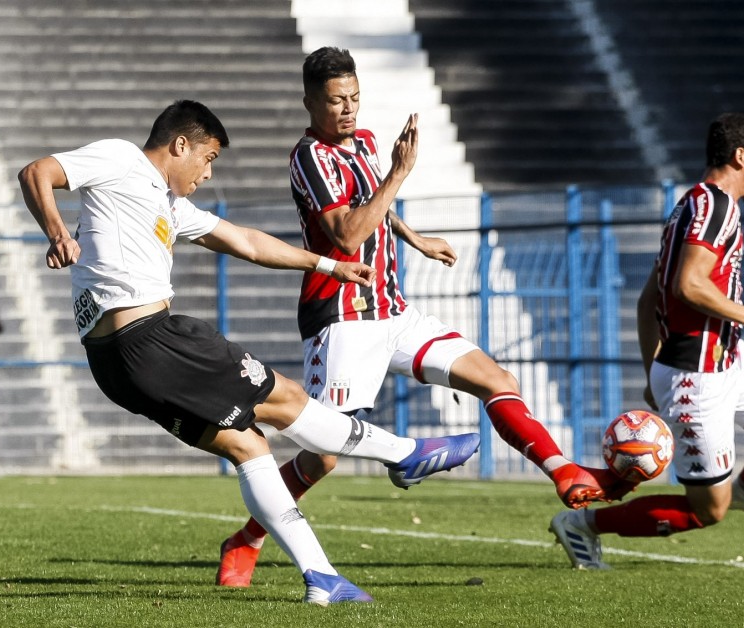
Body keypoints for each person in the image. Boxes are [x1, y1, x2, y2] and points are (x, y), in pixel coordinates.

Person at [18, 100, 481, 604]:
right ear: (180, 145)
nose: (207, 171)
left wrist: (328, 265)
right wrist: (59, 232)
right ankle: (406, 454)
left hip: (115, 366)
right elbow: (37, 171)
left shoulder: (170, 206)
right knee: (284, 399)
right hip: (154, 339)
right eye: (208, 157)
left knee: (248, 446)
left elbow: (247, 242)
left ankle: (322, 578)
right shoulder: (121, 159)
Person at [215, 46, 631, 587]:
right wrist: (399, 173)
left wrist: (414, 237)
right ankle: (246, 539)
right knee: (322, 457)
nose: (349, 109)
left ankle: (564, 472)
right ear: (310, 103)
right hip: (342, 317)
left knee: (496, 379)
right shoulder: (309, 156)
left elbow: (378, 206)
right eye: (336, 100)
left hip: (393, 308)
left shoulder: (362, 142)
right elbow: (347, 234)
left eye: (355, 98)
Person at [550, 112, 744, 569]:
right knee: (707, 512)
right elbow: (688, 285)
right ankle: (583, 525)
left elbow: (647, 300)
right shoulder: (716, 206)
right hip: (695, 378)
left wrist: (648, 370)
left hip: (727, 359)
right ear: (741, 156)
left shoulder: (691, 205)